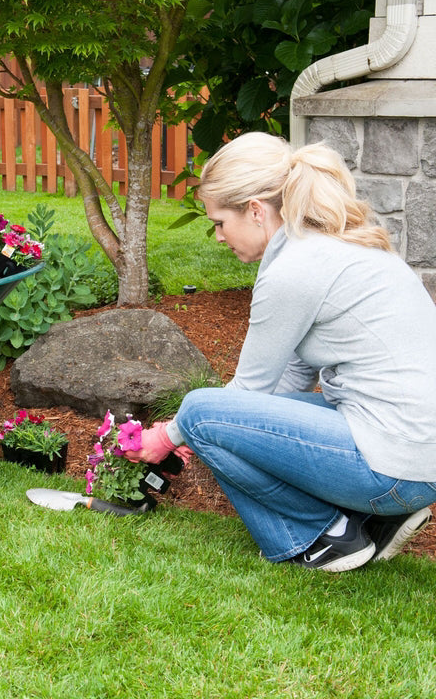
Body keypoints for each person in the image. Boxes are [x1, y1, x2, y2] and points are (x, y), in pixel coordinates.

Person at [128, 131, 436, 572]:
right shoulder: (327, 247)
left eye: (219, 222)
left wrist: (169, 435)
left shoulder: (294, 270)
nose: (217, 237)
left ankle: (324, 538)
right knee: (210, 418)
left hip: (397, 467)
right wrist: (199, 432)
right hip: (413, 457)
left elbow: (247, 390)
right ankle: (372, 518)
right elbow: (288, 378)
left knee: (200, 410)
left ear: (255, 210)